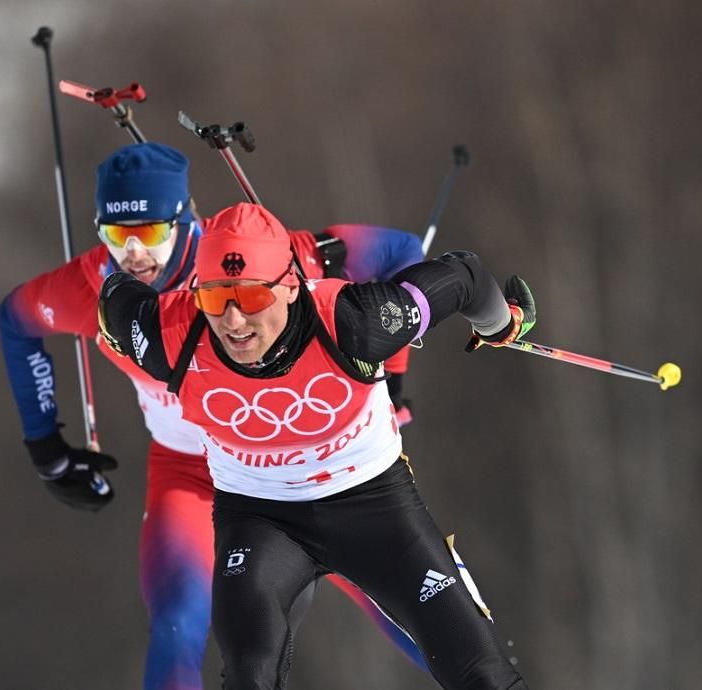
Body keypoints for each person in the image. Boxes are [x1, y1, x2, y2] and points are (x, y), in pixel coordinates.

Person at [0, 142, 428, 689]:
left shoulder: (266, 260)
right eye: (114, 234)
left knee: (406, 610)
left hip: (295, 471)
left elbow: (403, 253)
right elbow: (16, 321)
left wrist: (390, 376)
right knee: (177, 620)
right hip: (190, 473)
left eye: (150, 232)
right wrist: (47, 450)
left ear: (186, 217)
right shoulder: (94, 288)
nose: (132, 254)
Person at [97, 202, 534, 689]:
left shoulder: (357, 320)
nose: (234, 320)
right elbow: (116, 297)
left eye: (251, 296)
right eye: (216, 298)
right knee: (249, 672)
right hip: (261, 519)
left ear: (289, 285)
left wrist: (502, 322)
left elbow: (464, 275)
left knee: (482, 674)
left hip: (374, 509)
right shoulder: (169, 335)